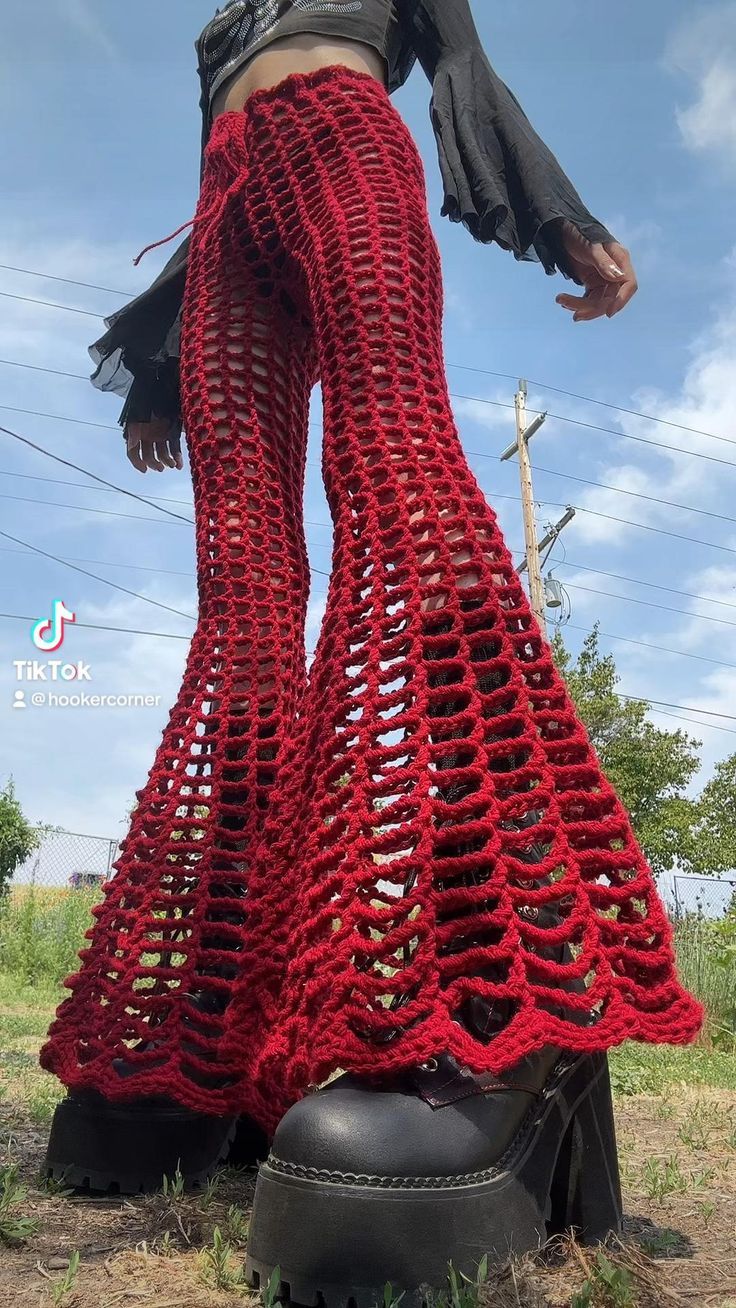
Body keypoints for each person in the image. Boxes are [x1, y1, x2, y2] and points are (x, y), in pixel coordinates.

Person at [40, 0, 702, 1295]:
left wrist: (563, 221)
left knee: (394, 475)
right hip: (232, 212)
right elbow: (205, 162)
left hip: (350, 138)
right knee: (238, 591)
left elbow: (459, 62)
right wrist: (164, 363)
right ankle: (211, 1033)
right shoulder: (222, 32)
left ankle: (515, 983)